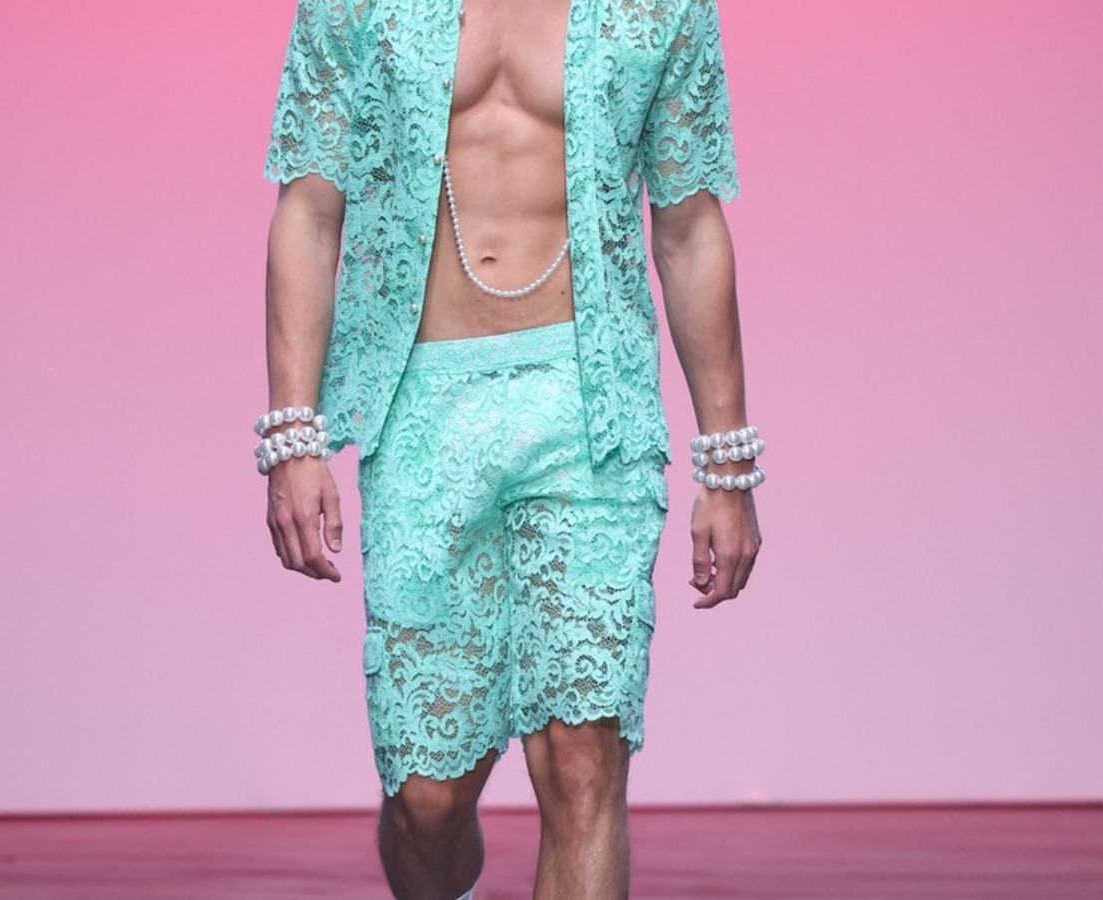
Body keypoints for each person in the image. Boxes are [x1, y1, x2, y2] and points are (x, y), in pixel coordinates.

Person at [255, 0, 762, 896]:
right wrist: (294, 434)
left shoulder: (659, 8)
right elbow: (310, 206)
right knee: (427, 800)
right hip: (422, 408)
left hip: (591, 411)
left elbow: (688, 226)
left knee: (583, 763)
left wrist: (726, 463)